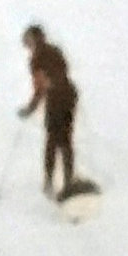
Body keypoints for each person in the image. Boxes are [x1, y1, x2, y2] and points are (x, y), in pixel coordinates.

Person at [20, 25, 80, 198]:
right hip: (69, 95)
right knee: (66, 139)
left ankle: (49, 182)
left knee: (52, 140)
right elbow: (64, 71)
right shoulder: (55, 51)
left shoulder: (37, 60)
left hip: (55, 99)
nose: (26, 45)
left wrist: (30, 109)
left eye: (27, 41)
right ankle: (69, 180)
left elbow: (40, 87)